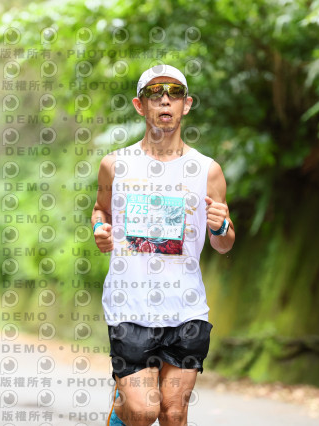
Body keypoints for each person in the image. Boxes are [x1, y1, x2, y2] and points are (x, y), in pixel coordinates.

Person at [92, 64, 235, 426]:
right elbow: (100, 210)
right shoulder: (115, 165)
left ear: (187, 104)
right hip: (129, 305)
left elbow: (224, 243)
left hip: (186, 307)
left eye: (174, 93)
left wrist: (221, 227)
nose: (165, 100)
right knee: (143, 411)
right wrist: (100, 228)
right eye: (155, 93)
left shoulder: (207, 171)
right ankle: (122, 409)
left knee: (173, 413)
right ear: (140, 106)